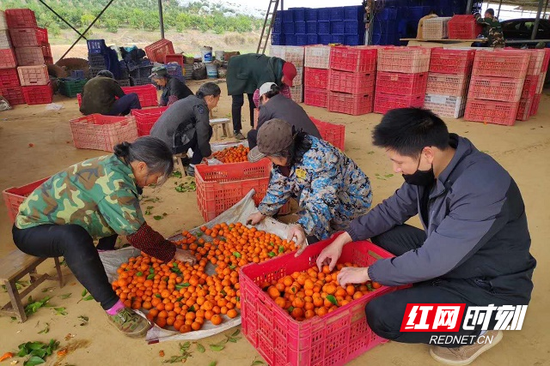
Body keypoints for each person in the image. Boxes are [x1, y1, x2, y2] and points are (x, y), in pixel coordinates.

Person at [316, 108, 536, 365]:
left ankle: (478, 331)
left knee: (383, 315)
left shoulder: (482, 186)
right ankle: (432, 290)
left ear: (427, 154)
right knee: (383, 233)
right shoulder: (431, 168)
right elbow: (392, 210)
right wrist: (343, 238)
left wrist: (368, 273)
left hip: (490, 289)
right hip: (455, 257)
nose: (395, 169)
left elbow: (434, 259)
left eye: (398, 162)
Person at [12, 136, 197, 338]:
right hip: (31, 231)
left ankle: (102, 255)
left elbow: (127, 218)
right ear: (142, 166)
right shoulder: (115, 183)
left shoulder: (119, 165)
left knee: (117, 215)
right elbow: (138, 234)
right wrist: (171, 252)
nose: (155, 182)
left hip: (54, 222)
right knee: (74, 237)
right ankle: (114, 309)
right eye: (157, 176)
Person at [247, 119, 372, 254]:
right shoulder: (287, 158)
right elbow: (280, 184)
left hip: (351, 197)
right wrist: (263, 211)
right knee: (313, 213)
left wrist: (302, 226)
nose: (269, 160)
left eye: (270, 157)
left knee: (337, 235)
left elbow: (323, 201)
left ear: (284, 153)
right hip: (326, 192)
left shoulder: (321, 159)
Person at [150, 82, 221, 177]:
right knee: (207, 130)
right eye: (217, 99)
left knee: (195, 130)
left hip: (157, 140)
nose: (216, 104)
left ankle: (185, 159)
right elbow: (202, 135)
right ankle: (193, 166)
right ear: (211, 98)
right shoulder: (201, 107)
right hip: (168, 145)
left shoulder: (190, 99)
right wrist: (207, 154)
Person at [226, 53, 297, 140]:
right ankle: (236, 130)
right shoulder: (268, 75)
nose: (284, 82)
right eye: (285, 80)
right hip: (237, 68)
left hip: (252, 73)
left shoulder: (280, 69)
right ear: (282, 74)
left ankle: (253, 126)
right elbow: (258, 98)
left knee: (252, 102)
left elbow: (285, 93)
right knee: (238, 101)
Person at [247, 82, 321, 149]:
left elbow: (260, 132)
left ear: (264, 97)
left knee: (252, 134)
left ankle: (258, 161)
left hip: (299, 145)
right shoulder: (290, 102)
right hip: (318, 142)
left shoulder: (266, 107)